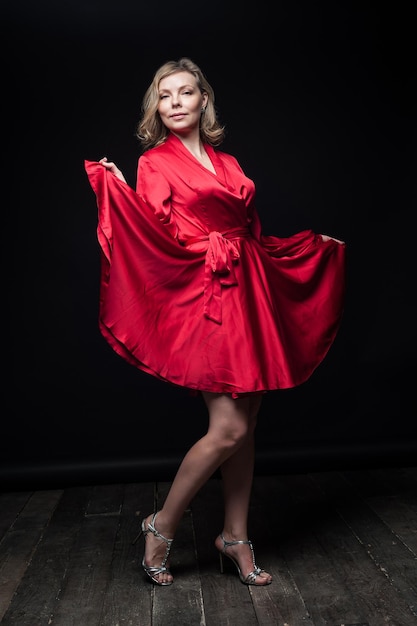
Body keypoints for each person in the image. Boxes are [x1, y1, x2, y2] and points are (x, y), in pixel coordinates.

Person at [84, 57, 346, 587]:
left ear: (204, 100)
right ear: (156, 107)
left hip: (249, 289)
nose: (176, 101)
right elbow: (153, 230)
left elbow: (251, 230)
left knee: (246, 429)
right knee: (227, 427)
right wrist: (118, 193)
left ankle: (235, 535)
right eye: (165, 94)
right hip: (209, 294)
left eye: (186, 92)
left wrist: (307, 251)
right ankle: (162, 524)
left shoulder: (228, 162)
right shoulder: (155, 161)